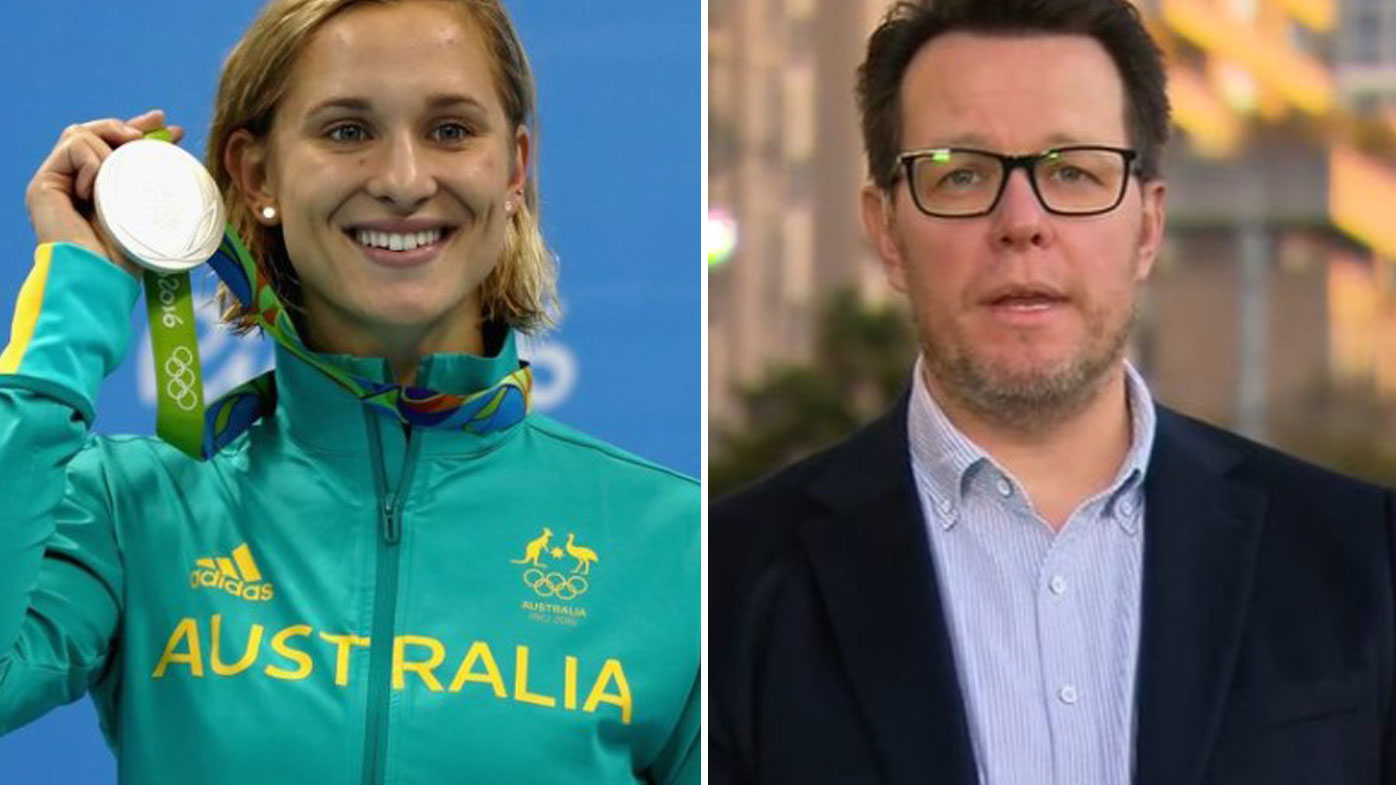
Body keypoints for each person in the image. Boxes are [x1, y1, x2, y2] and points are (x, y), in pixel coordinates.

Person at [0, 1, 697, 783]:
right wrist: (76, 290)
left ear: (513, 170)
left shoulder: (680, 546)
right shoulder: (135, 510)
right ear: (255, 174)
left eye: (451, 130)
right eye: (347, 131)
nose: (403, 180)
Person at [711, 0, 1396, 783]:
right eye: (961, 175)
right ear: (886, 233)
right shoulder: (728, 585)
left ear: (1147, 226)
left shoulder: (1360, 558)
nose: (1022, 221)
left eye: (1072, 172)